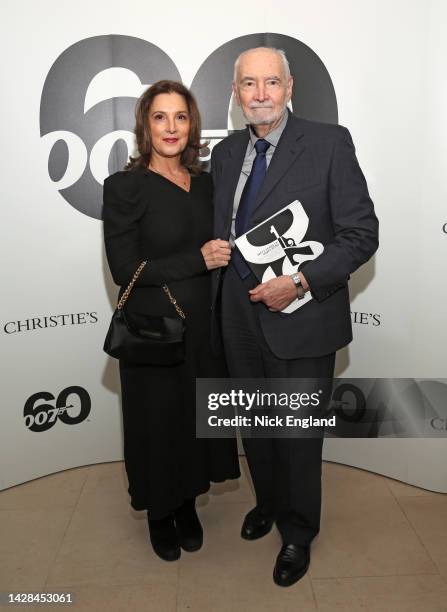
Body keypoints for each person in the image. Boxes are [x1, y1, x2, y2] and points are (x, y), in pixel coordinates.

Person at [210, 48, 379, 587]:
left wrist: (300, 282)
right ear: (236, 93)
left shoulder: (330, 143)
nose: (260, 94)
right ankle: (270, 504)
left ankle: (299, 532)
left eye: (271, 83)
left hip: (303, 315)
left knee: (299, 436)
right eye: (249, 84)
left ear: (290, 87)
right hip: (238, 315)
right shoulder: (226, 152)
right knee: (257, 429)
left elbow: (361, 234)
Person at [103, 80, 240, 562]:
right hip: (153, 332)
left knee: (195, 423)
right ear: (145, 125)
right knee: (156, 425)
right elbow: (126, 269)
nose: (171, 127)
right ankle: (160, 512)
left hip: (203, 327)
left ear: (192, 125)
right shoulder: (125, 187)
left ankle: (186, 503)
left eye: (180, 117)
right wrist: (196, 261)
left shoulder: (207, 184)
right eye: (160, 117)